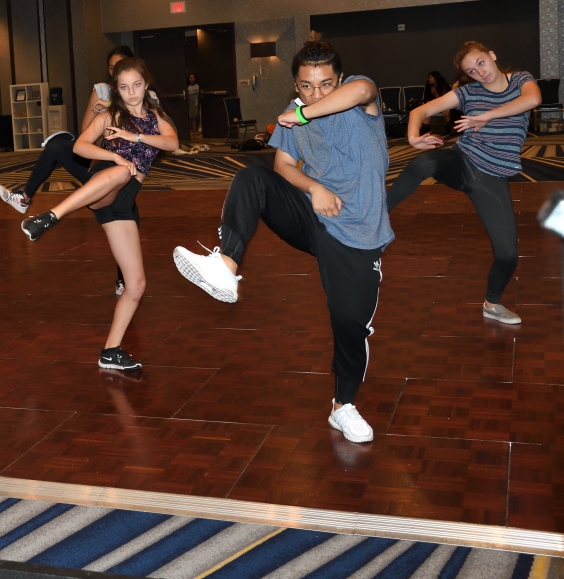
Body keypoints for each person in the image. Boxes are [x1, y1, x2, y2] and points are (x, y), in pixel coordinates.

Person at [172, 41, 392, 444]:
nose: (315, 94)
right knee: (252, 178)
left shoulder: (358, 98)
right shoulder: (295, 114)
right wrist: (314, 187)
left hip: (359, 235)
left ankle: (343, 406)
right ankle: (226, 265)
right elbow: (283, 165)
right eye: (306, 86)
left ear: (340, 79)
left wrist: (302, 114)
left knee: (349, 324)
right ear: (296, 84)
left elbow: (362, 91)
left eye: (325, 84)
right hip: (314, 216)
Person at [19, 59, 179, 371]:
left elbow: (172, 143)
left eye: (136, 85)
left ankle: (111, 351)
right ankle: (48, 217)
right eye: (124, 87)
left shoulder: (156, 116)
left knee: (136, 284)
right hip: (105, 181)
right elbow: (79, 147)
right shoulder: (110, 115)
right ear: (116, 90)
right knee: (122, 171)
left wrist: (134, 138)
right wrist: (114, 155)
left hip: (124, 203)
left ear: (146, 85)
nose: (131, 92)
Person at [388, 42, 540, 325]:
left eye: (481, 63)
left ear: (492, 55)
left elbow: (533, 100)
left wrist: (486, 116)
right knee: (425, 163)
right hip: (464, 161)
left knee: (508, 255)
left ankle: (491, 304)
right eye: (471, 71)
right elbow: (419, 112)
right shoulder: (467, 92)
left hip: (493, 179)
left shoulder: (521, 80)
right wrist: (413, 138)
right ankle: (375, 217)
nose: (480, 72)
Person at [0, 46, 139, 295]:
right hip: (99, 162)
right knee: (56, 146)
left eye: (120, 65)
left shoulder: (140, 91)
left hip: (126, 170)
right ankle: (25, 198)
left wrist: (111, 108)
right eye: (111, 67)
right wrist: (100, 117)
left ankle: (123, 279)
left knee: (123, 215)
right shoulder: (100, 90)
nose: (116, 71)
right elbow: (85, 134)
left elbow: (149, 126)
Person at [185, 73, 201, 138]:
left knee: (194, 119)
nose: (192, 79)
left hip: (195, 104)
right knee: (188, 119)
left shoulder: (197, 86)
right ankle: (189, 135)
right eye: (190, 78)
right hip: (189, 104)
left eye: (193, 77)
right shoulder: (187, 87)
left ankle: (194, 134)